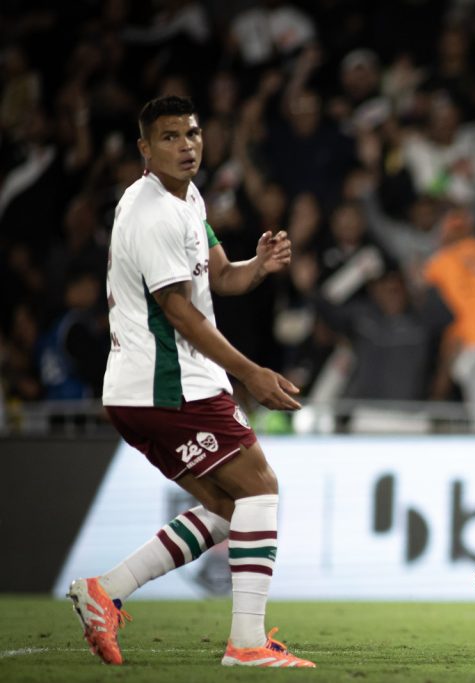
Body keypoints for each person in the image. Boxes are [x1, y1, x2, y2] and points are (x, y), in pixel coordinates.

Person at [66, 95, 314, 668]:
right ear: (145, 149)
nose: (186, 146)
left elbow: (220, 277)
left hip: (146, 391)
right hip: (170, 387)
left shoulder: (188, 197)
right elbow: (178, 310)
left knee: (233, 508)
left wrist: (258, 265)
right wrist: (250, 372)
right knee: (260, 488)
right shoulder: (151, 211)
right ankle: (247, 643)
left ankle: (104, 592)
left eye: (193, 134)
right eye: (170, 137)